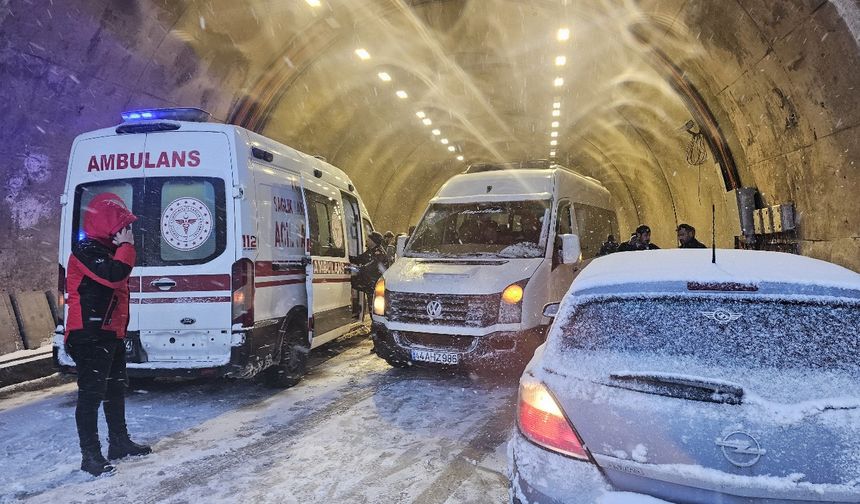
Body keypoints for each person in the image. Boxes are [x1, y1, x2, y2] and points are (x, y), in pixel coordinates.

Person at [64, 193, 151, 476]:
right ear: (108, 224)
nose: (128, 231)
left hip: (109, 333)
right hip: (88, 335)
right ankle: (90, 456)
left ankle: (119, 442)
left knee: (115, 388)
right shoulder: (85, 250)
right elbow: (114, 276)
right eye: (123, 225)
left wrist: (122, 246)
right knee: (91, 395)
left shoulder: (106, 249)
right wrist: (126, 246)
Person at [350, 231, 391, 297]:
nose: (367, 240)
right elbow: (359, 259)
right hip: (370, 281)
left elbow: (373, 264)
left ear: (373, 241)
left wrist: (360, 269)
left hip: (376, 283)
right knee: (353, 281)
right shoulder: (371, 251)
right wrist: (349, 259)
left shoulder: (379, 252)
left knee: (374, 302)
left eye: (368, 239)